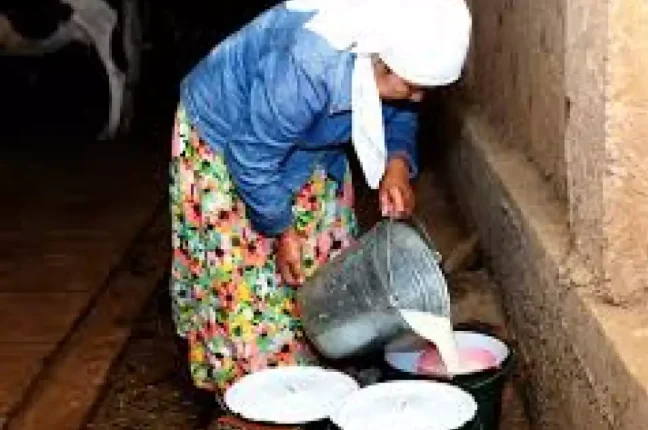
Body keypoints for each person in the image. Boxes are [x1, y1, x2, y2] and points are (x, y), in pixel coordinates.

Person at [170, 0, 472, 404]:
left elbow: (399, 110)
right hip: (230, 139)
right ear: (379, 60)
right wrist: (282, 230)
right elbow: (252, 157)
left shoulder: (389, 56)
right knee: (248, 275)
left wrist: (397, 163)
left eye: (425, 90)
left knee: (328, 263)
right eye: (412, 86)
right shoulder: (307, 65)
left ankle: (319, 359)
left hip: (304, 138)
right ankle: (261, 385)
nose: (418, 99)